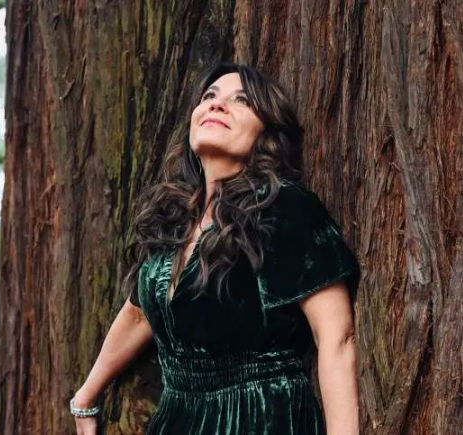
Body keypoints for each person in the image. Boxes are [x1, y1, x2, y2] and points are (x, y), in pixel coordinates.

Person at [71, 62, 361, 435]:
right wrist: (86, 396)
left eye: (241, 100)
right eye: (210, 95)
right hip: (176, 419)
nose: (217, 104)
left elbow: (336, 338)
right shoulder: (175, 218)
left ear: (267, 132)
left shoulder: (282, 207)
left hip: (257, 416)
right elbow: (140, 314)